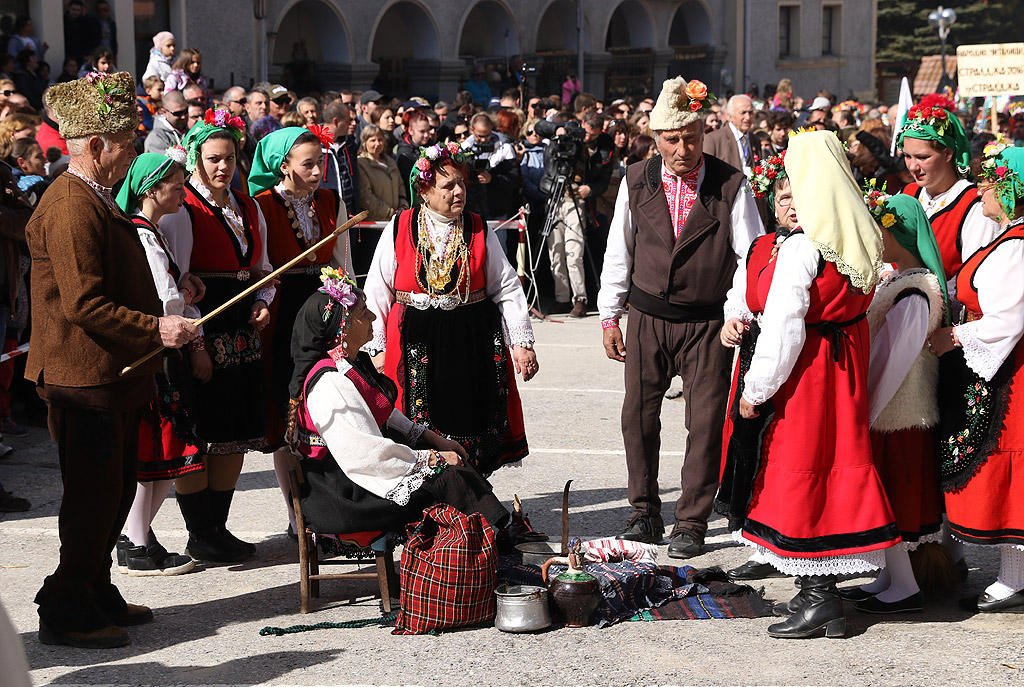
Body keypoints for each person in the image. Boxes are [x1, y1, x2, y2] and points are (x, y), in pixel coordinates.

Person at [27, 71, 197, 648]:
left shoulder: (94, 195)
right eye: (128, 140)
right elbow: (83, 302)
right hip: (84, 377)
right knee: (92, 499)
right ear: (96, 144)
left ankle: (96, 588)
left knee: (116, 489)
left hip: (113, 374)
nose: (135, 150)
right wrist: (156, 326)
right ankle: (67, 606)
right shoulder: (71, 203)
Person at [730, 130, 898, 639]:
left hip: (807, 371)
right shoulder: (860, 231)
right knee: (833, 465)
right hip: (843, 365)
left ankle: (818, 596)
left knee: (800, 468)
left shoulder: (804, 247)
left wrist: (755, 390)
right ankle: (821, 595)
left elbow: (783, 328)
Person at [597, 77, 762, 557]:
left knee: (706, 421)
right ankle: (643, 510)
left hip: (708, 323)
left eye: (691, 137)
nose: (683, 148)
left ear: (702, 133)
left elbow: (749, 258)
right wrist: (610, 316)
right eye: (672, 139)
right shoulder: (635, 180)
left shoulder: (731, 185)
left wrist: (737, 314)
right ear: (656, 139)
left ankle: (691, 519)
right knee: (638, 418)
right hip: (648, 317)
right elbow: (617, 253)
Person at [288, 267, 514, 538]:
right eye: (363, 313)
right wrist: (432, 458)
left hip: (356, 476)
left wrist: (433, 440)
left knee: (456, 463)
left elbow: (381, 411)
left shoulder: (347, 365)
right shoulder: (330, 382)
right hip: (344, 494)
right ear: (342, 329)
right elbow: (366, 454)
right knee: (447, 478)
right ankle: (491, 545)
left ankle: (494, 538)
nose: (373, 317)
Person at [364, 142, 538, 476]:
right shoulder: (400, 226)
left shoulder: (477, 227)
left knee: (471, 415)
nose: (459, 192)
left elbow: (507, 287)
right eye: (448, 186)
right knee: (414, 421)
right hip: (412, 337)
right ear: (425, 190)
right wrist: (376, 347)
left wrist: (522, 343)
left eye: (462, 184)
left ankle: (471, 492)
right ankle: (424, 495)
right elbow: (376, 291)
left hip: (470, 336)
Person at [160, 109, 274, 563]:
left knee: (234, 432)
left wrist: (263, 299)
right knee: (200, 431)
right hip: (202, 327)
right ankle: (199, 530)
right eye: (211, 159)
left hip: (242, 331)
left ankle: (218, 528)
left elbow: (261, 268)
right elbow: (179, 284)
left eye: (228, 157)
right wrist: (199, 346)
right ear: (194, 160)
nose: (221, 166)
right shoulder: (182, 209)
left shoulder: (249, 206)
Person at [832, 193, 947, 613]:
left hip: (898, 414)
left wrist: (865, 411)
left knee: (893, 499)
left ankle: (906, 586)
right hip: (888, 413)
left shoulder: (915, 292)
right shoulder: (897, 281)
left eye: (877, 227)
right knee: (887, 496)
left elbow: (893, 362)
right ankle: (892, 577)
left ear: (894, 232)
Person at [926, 142, 1024, 613]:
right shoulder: (1008, 238)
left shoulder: (1018, 245)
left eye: (990, 183)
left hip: (1013, 373)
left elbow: (1007, 319)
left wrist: (958, 336)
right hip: (1000, 366)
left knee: (1010, 465)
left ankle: (1013, 576)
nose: (982, 190)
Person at [248, 125, 352, 535]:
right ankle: (297, 515)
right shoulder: (261, 205)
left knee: (332, 404)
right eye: (307, 163)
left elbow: (342, 260)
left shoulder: (331, 201)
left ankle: (333, 506)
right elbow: (263, 268)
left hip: (326, 305)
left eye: (320, 161)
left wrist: (349, 309)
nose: (317, 170)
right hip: (284, 308)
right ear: (283, 166)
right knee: (289, 410)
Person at [113, 152, 203, 577]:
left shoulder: (153, 233)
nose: (182, 191)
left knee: (167, 449)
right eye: (176, 183)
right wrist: (184, 298)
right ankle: (134, 539)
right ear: (151, 188)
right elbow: (163, 299)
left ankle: (138, 534)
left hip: (163, 347)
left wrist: (185, 284)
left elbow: (170, 287)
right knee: (157, 447)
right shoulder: (142, 235)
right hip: (156, 351)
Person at [716, 152, 795, 582]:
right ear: (771, 201)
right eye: (783, 197)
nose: (791, 205)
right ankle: (757, 541)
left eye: (798, 197)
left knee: (779, 449)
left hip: (788, 361)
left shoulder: (812, 247)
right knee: (749, 448)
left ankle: (785, 542)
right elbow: (740, 292)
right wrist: (733, 318)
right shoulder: (760, 246)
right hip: (753, 353)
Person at [896, 95, 1000, 278]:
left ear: (948, 154)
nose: (912, 167)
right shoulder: (908, 194)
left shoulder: (974, 205)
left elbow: (975, 277)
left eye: (922, 157)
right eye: (907, 156)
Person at [357, 124, 408, 222]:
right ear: (364, 142)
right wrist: (390, 212)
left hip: (395, 220)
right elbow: (366, 197)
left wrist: (402, 208)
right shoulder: (361, 163)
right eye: (373, 140)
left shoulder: (390, 161)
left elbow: (400, 186)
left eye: (380, 140)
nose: (377, 144)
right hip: (376, 223)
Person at [144, 89, 188, 155]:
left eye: (185, 111)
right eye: (177, 113)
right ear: (164, 112)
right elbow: (167, 164)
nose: (183, 116)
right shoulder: (156, 137)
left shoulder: (189, 130)